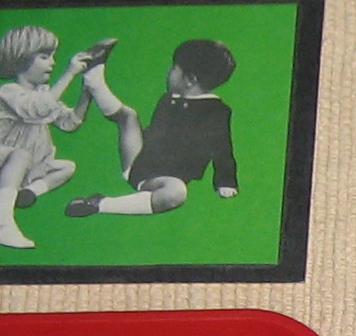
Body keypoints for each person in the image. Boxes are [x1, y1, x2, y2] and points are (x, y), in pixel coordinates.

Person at [0, 25, 104, 249]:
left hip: (22, 163)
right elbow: (36, 109)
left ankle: (27, 193)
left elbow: (69, 123)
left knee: (66, 167)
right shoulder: (8, 92)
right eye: (44, 57)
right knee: (21, 155)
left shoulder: (43, 93)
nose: (53, 63)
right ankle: (1, 222)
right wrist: (69, 74)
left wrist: (85, 95)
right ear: (20, 59)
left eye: (52, 56)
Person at [68, 38, 242, 219]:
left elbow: (222, 147)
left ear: (190, 80)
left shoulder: (216, 111)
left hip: (162, 179)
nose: (169, 72)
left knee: (176, 191)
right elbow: (154, 134)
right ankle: (94, 80)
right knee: (128, 116)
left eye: (174, 68)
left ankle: (100, 204)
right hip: (140, 162)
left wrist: (226, 181)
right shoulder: (168, 99)